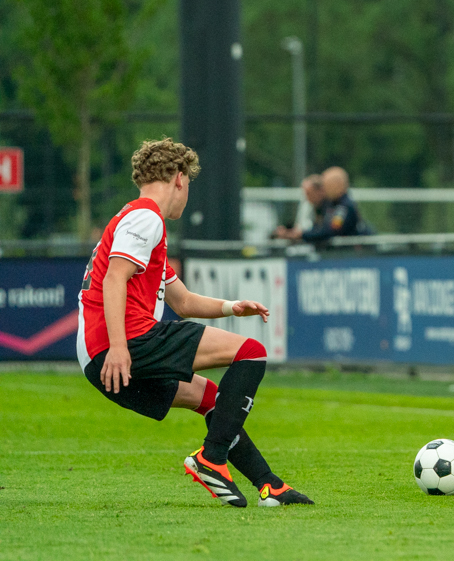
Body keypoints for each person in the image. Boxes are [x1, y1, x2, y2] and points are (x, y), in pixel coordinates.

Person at [77, 138, 313, 508]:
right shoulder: (146, 217)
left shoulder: (134, 219)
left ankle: (270, 486)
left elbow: (182, 301)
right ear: (179, 179)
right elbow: (113, 279)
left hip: (99, 358)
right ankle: (211, 459)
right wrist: (120, 348)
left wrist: (232, 307)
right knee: (251, 353)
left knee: (211, 399)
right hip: (124, 344)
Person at [274, 167, 372, 246]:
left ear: (337, 186)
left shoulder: (343, 207)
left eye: (327, 185)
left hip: (352, 255)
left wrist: (301, 235)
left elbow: (331, 230)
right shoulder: (331, 205)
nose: (324, 189)